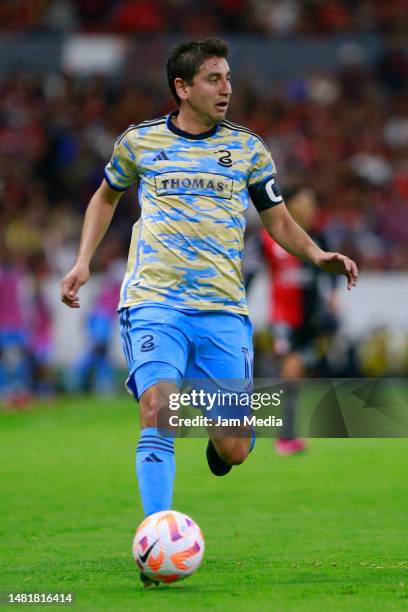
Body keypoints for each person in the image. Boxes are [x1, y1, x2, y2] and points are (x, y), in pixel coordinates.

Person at [61, 38, 358, 585]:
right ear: (183, 87)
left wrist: (317, 253)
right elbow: (105, 196)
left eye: (228, 78)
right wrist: (83, 261)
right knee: (159, 409)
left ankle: (219, 447)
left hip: (222, 310)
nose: (227, 89)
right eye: (214, 79)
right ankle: (157, 537)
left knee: (237, 446)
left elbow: (278, 219)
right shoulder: (140, 143)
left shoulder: (247, 149)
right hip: (154, 301)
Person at [262, 186, 339, 455]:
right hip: (283, 318)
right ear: (290, 205)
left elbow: (331, 273)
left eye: (312, 202)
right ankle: (285, 436)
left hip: (311, 319)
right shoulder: (268, 238)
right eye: (304, 202)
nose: (310, 208)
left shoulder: (318, 238)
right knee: (291, 371)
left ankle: (284, 431)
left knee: (296, 378)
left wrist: (332, 297)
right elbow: (246, 269)